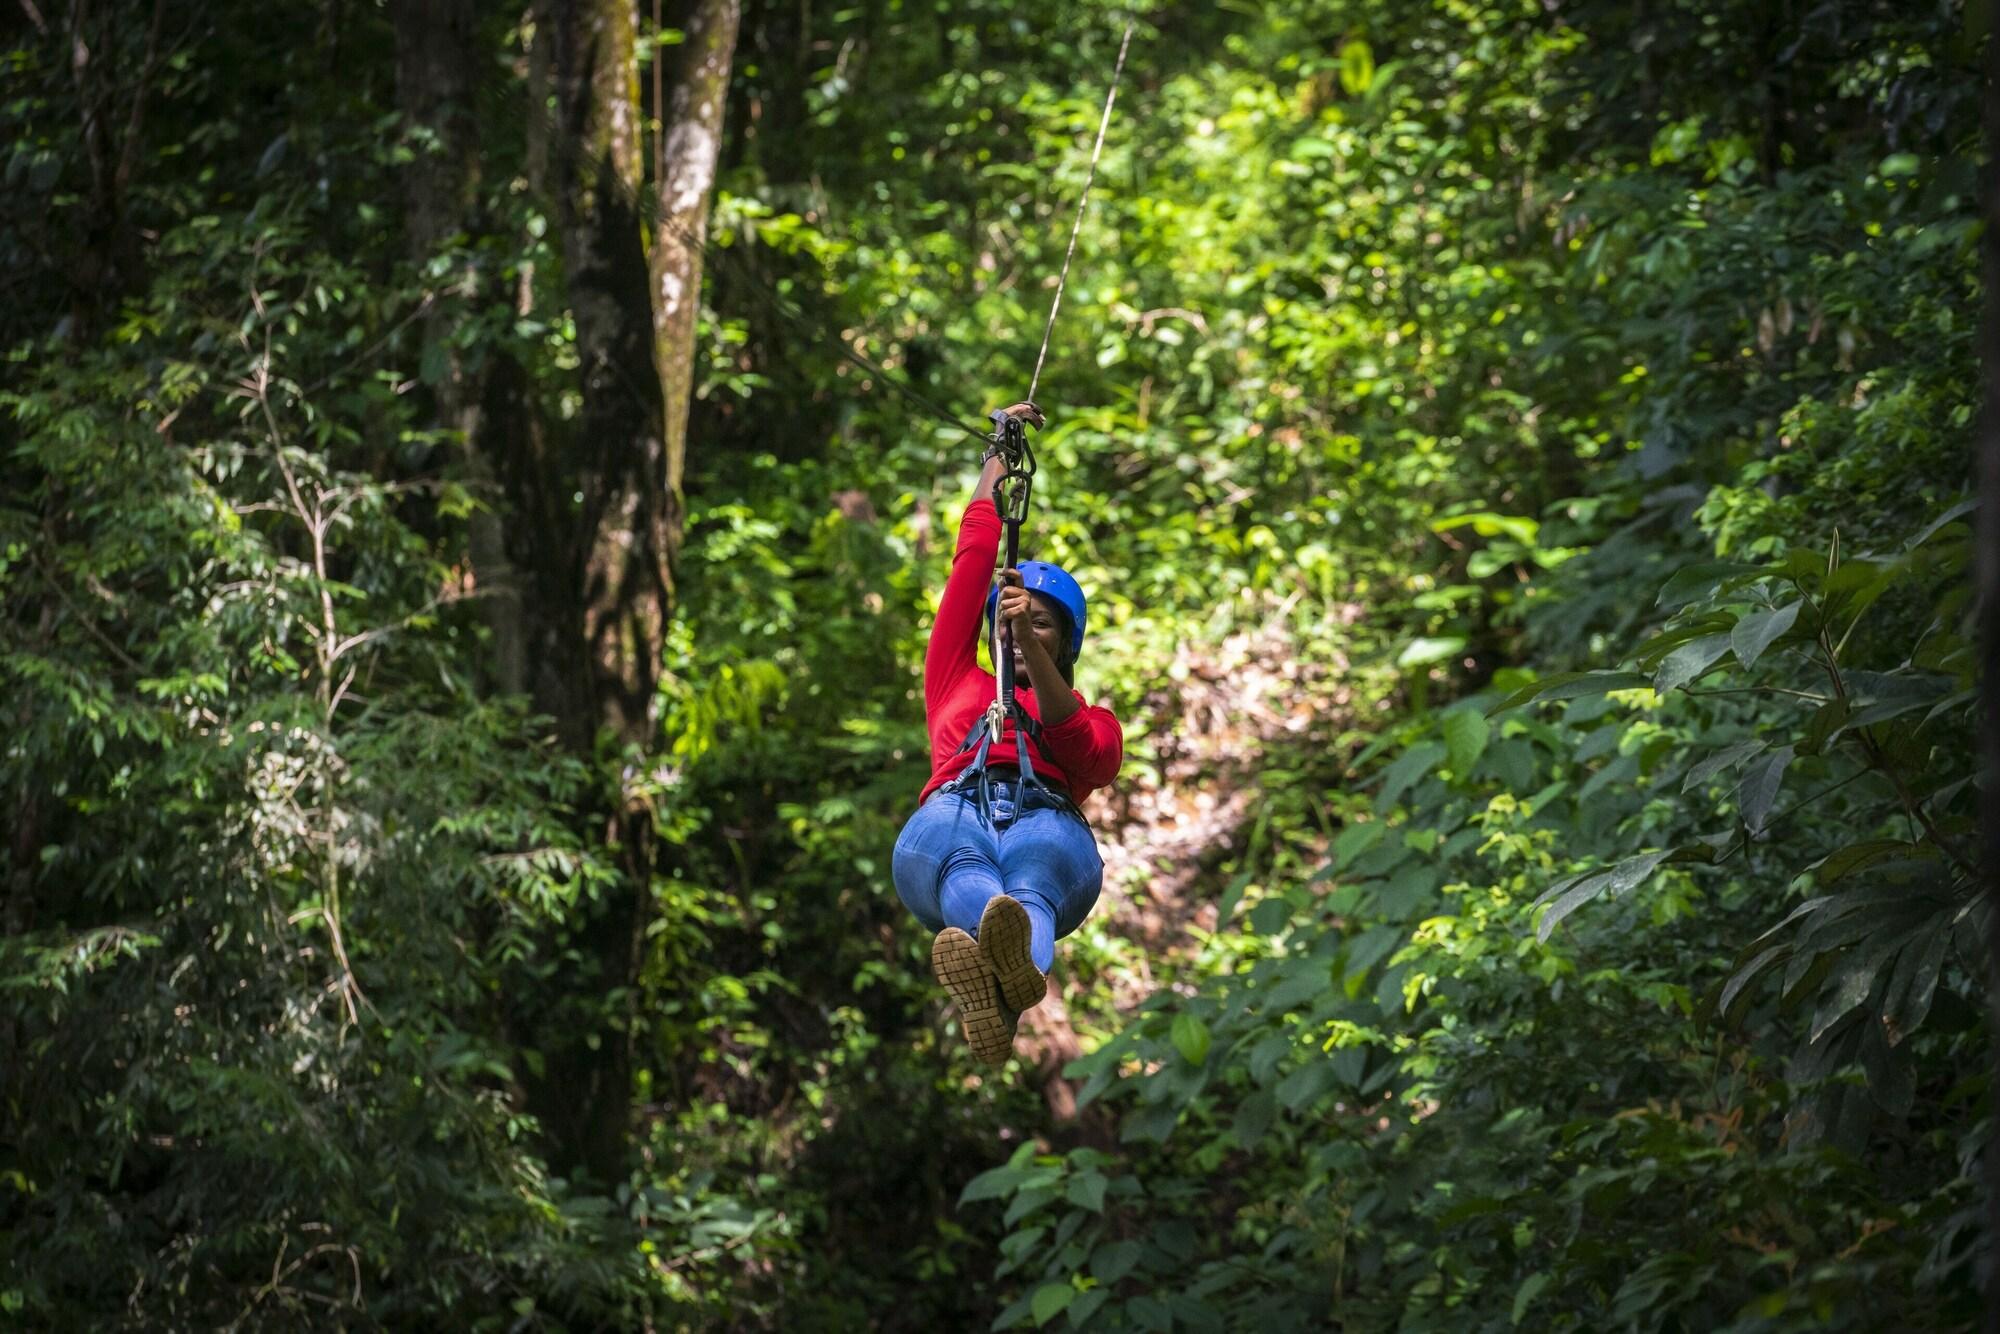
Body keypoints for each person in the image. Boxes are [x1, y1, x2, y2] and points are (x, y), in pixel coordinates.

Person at [892, 402, 1125, 1064]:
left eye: (1044, 623)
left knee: (1031, 882)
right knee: (967, 859)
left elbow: (1088, 751)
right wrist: (998, 456)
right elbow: (974, 557)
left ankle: (994, 967)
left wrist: (1026, 639)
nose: (1025, 629)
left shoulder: (1084, 712)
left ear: (1065, 643)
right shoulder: (956, 681)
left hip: (1046, 827)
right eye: (1017, 619)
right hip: (954, 812)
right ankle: (1005, 982)